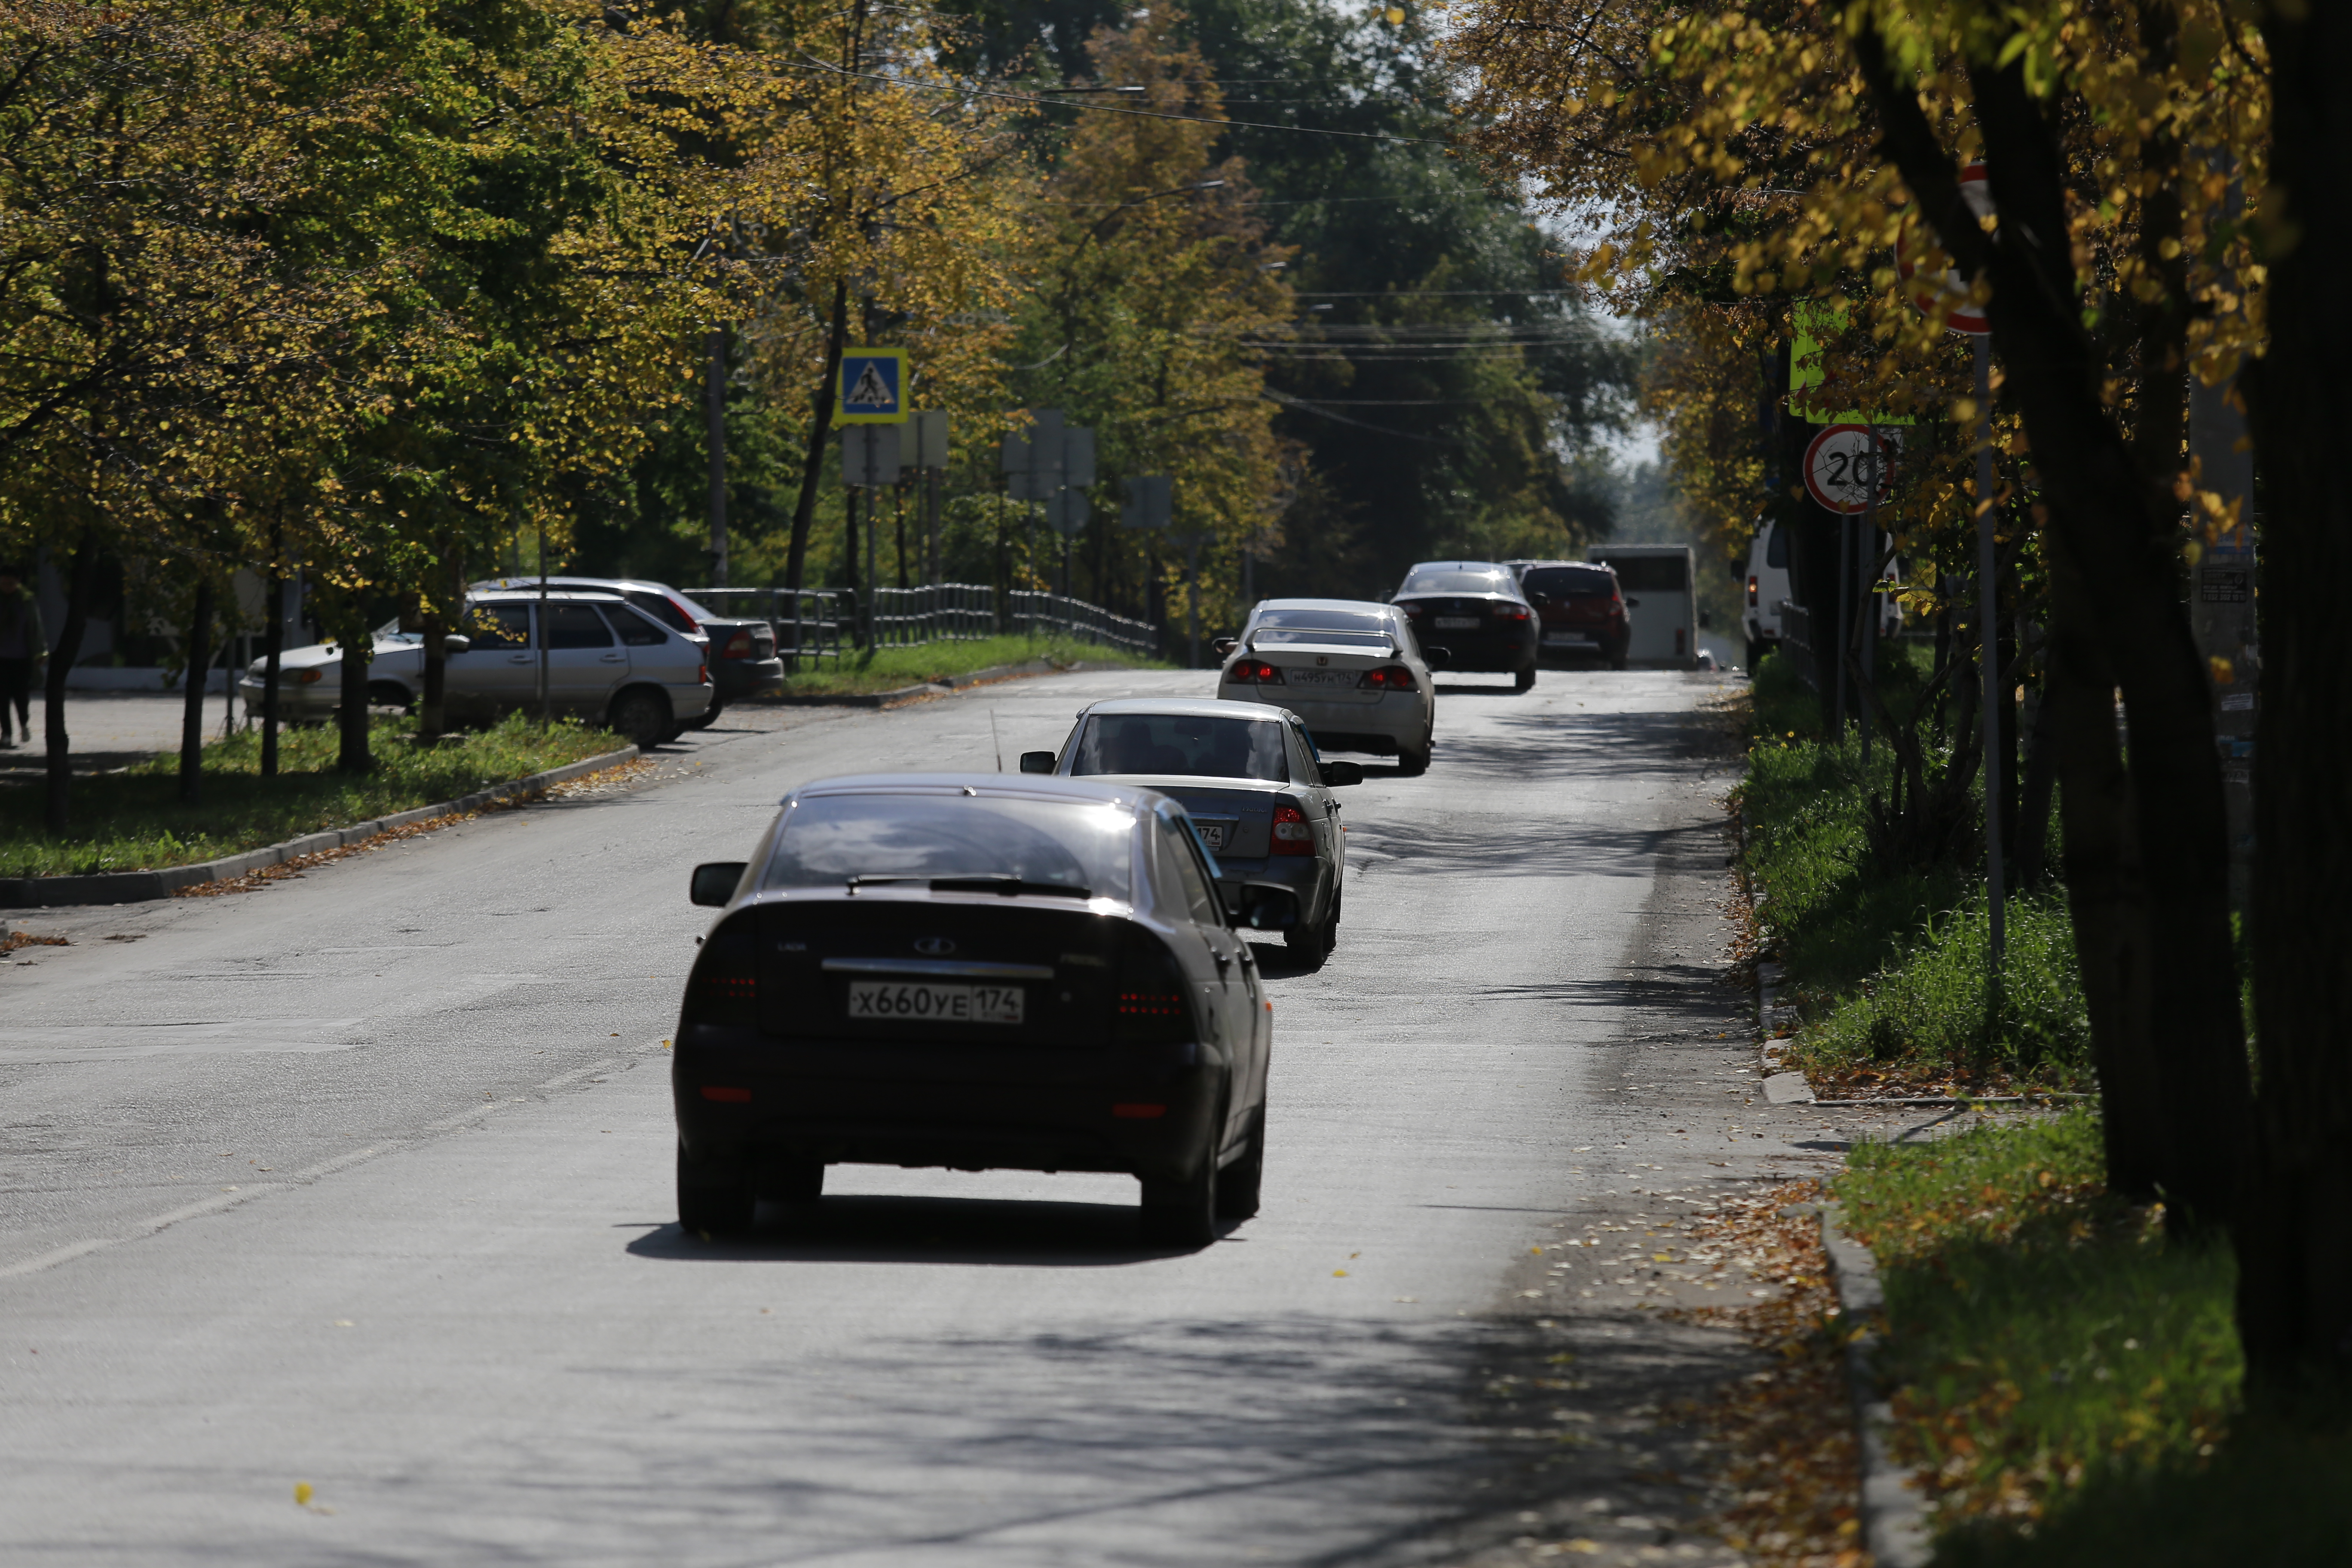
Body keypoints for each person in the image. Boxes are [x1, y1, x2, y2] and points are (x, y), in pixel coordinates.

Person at [0, 564, 43, 750]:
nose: (8, 586)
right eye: (4, 583)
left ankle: (24, 724)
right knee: (1, 698)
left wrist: (40, 652)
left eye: (11, 583)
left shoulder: (27, 601)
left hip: (22, 658)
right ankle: (7, 734)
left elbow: (36, 628)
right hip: (1, 659)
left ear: (18, 582)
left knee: (21, 696)